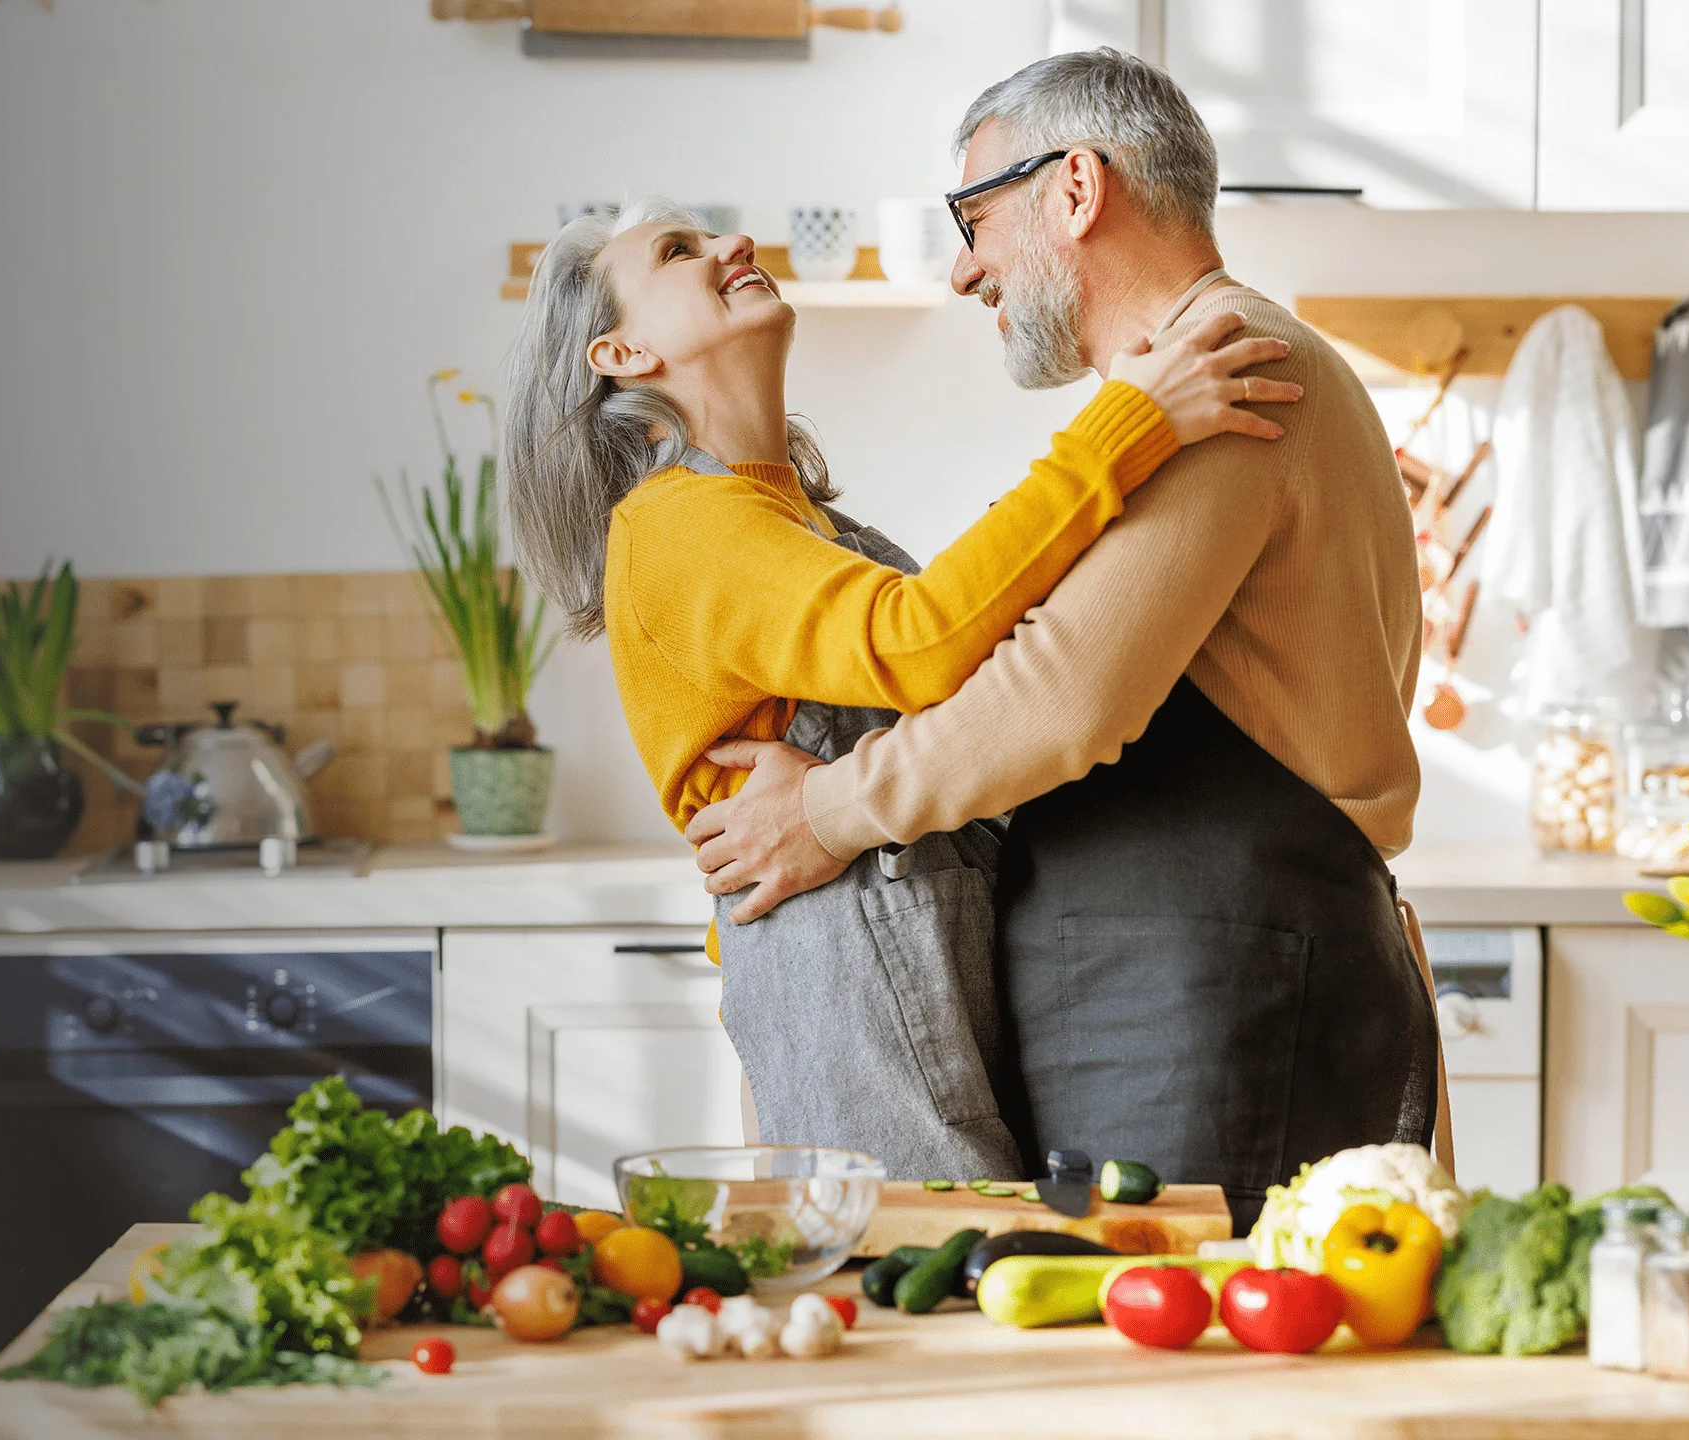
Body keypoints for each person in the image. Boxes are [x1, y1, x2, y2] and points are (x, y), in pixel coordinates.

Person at [683, 49, 1435, 1229]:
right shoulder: (1171, 395)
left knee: (1189, 1400)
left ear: (1077, 189)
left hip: (1212, 983)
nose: (965, 267)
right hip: (1180, 970)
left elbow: (1062, 693)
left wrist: (821, 815)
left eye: (975, 215)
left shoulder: (1235, 368)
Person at [500, 193, 1300, 1178]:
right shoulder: (675, 527)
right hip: (850, 973)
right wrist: (1128, 423)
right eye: (679, 251)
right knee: (936, 1296)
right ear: (622, 356)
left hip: (913, 956)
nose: (734, 243)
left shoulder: (798, 524)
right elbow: (922, 643)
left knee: (974, 1286)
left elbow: (977, 672)